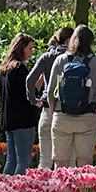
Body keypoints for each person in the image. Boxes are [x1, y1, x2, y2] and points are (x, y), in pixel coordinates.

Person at [46, 25, 96, 168]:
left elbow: (50, 93)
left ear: (72, 40)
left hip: (62, 115)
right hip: (87, 116)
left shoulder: (60, 60)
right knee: (84, 164)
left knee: (61, 164)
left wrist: (54, 111)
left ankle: (61, 190)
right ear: (91, 41)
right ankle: (83, 191)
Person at [24, 26, 73, 170]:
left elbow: (29, 80)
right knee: (69, 162)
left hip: (47, 110)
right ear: (69, 40)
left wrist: (33, 100)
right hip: (67, 112)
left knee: (44, 162)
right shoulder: (75, 57)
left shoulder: (46, 57)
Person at [0, 33, 38, 176]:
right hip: (22, 120)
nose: (31, 52)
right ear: (22, 48)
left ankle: (1, 190)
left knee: (11, 161)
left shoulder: (5, 68)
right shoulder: (19, 68)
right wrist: (41, 78)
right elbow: (29, 91)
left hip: (8, 120)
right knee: (23, 162)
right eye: (30, 48)